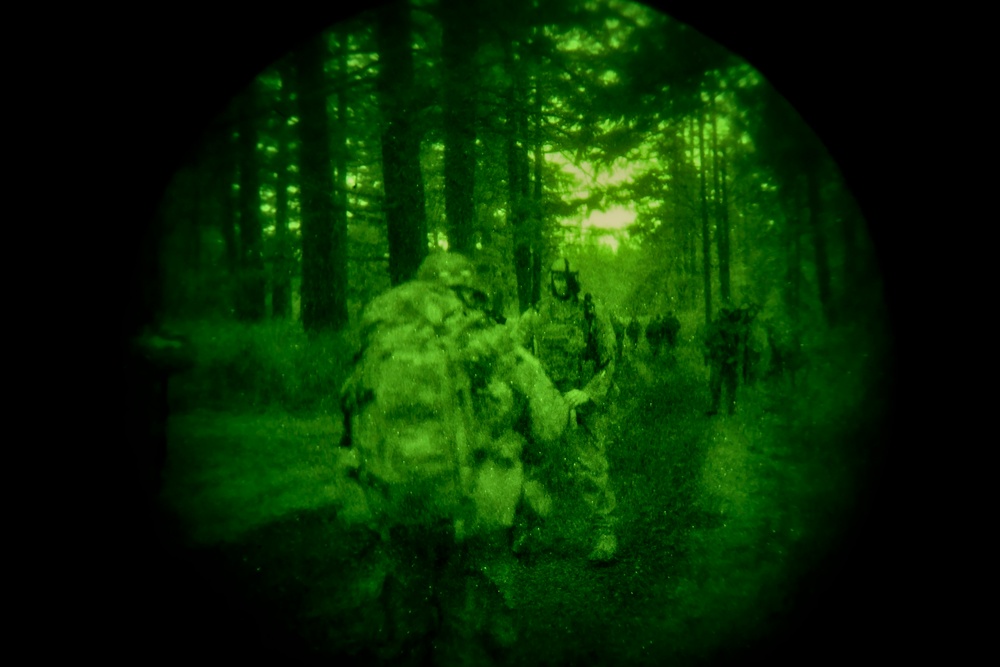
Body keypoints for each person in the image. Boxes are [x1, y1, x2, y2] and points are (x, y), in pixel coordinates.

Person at [337, 251, 572, 662]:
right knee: (478, 599)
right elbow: (552, 422)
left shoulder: (379, 340)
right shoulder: (484, 336)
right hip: (473, 506)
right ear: (468, 292)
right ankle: (487, 637)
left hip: (396, 496)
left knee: (409, 593)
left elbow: (349, 413)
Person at [513, 256, 619, 563]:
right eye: (555, 278)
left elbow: (609, 360)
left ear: (574, 281)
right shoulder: (538, 311)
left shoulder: (591, 312)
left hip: (580, 400)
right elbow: (514, 346)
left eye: (565, 279)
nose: (560, 284)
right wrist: (531, 375)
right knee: (537, 468)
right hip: (546, 401)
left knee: (590, 469)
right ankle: (530, 531)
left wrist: (587, 393)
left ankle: (604, 533)